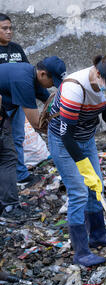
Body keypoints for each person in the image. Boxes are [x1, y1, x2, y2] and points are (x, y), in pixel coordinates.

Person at [47, 54, 106, 267]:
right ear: (99, 75)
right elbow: (66, 135)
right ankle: (81, 251)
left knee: (97, 187)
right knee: (79, 191)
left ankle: (98, 234)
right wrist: (84, 167)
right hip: (63, 142)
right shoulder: (75, 88)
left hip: (86, 138)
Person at [0, 56, 66, 220]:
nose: (52, 85)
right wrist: (62, 135)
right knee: (7, 157)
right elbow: (37, 123)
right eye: (52, 81)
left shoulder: (32, 76)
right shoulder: (24, 81)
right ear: (43, 74)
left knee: (10, 151)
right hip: (3, 109)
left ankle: (9, 202)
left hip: (6, 108)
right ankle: (9, 208)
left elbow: (49, 101)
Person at [0, 13, 48, 187]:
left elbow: (30, 75)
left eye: (10, 28)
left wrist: (46, 98)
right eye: (4, 28)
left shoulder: (16, 49)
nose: (9, 32)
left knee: (18, 138)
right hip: (1, 104)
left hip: (16, 102)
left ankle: (20, 174)